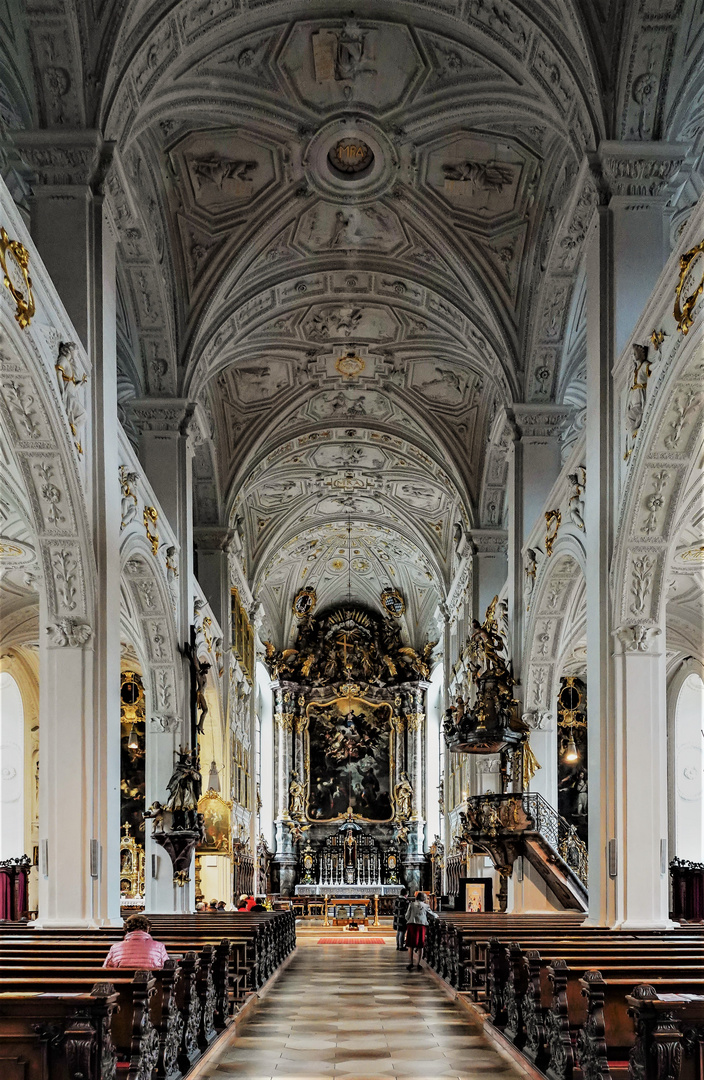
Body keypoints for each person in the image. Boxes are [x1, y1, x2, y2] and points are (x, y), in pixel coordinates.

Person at [103, 914, 169, 969]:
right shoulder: (159, 946)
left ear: (126, 930)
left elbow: (107, 968)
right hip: (153, 983)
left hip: (122, 983)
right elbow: (166, 967)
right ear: (147, 929)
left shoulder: (115, 947)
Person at [404, 892, 438, 971]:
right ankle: (418, 963)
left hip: (411, 925)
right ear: (423, 898)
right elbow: (432, 914)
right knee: (420, 945)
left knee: (411, 945)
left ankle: (411, 963)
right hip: (421, 926)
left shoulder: (411, 904)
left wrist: (409, 920)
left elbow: (407, 915)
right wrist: (437, 916)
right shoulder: (425, 906)